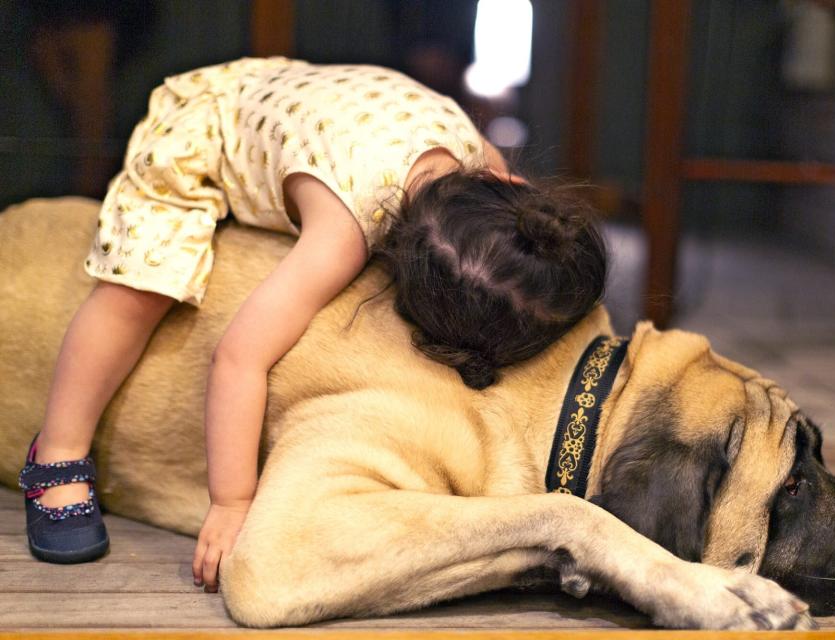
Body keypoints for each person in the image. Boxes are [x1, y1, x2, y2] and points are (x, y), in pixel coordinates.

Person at [16, 58, 607, 590]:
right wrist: (230, 501)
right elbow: (239, 357)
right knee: (135, 290)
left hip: (322, 98)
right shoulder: (343, 232)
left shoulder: (487, 173)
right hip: (209, 121)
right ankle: (58, 454)